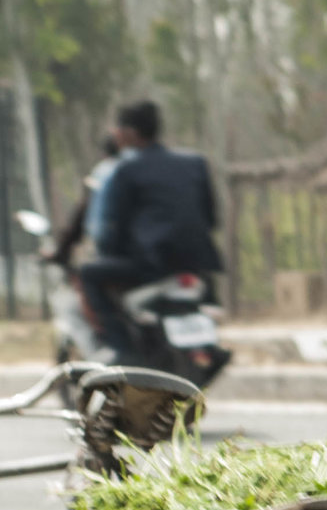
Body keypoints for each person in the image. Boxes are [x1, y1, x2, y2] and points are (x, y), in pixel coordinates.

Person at [76, 100, 225, 361]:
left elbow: (115, 228)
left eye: (118, 129)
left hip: (152, 264)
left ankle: (119, 347)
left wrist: (108, 253)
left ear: (130, 133)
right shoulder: (195, 163)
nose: (116, 135)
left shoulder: (126, 169)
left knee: (88, 274)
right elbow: (211, 219)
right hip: (197, 262)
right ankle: (207, 343)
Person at [41, 132, 121, 268]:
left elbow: (84, 209)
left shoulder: (102, 172)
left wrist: (63, 248)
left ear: (104, 153)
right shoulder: (138, 168)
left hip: (111, 243)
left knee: (89, 274)